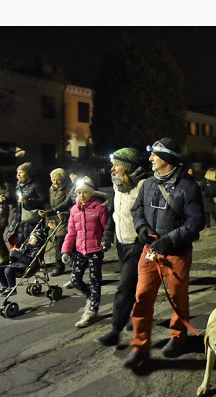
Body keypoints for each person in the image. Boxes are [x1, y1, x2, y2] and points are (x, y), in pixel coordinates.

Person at [125, 137, 204, 368]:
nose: (150, 158)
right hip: (150, 253)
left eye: (155, 155)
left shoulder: (188, 186)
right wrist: (141, 228)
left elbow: (197, 221)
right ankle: (140, 346)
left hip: (176, 254)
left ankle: (178, 338)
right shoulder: (148, 183)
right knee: (141, 299)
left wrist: (170, 239)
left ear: (167, 158)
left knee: (178, 300)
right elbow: (136, 209)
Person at [96, 148, 148, 347]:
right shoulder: (117, 185)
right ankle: (134, 318)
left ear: (126, 167)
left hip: (137, 244)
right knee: (133, 287)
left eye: (116, 165)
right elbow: (114, 212)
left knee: (124, 288)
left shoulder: (143, 185)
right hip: (121, 242)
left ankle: (115, 330)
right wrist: (108, 234)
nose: (112, 169)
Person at [61, 176, 109, 328]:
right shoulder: (74, 210)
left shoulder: (99, 209)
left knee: (95, 281)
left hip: (95, 251)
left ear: (91, 193)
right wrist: (66, 251)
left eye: (85, 192)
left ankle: (92, 311)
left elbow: (107, 229)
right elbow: (71, 233)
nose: (81, 195)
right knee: (75, 280)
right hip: (80, 251)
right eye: (79, 192)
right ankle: (90, 296)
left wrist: (106, 242)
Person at [38, 168, 71, 276]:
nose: (55, 182)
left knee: (59, 243)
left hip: (65, 219)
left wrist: (65, 213)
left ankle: (59, 266)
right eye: (53, 180)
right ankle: (69, 261)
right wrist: (48, 213)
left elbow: (69, 205)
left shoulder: (68, 190)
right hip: (54, 219)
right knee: (57, 242)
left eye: (58, 180)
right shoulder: (51, 189)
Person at [0, 229, 46, 297]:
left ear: (38, 241)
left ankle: (12, 289)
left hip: (26, 268)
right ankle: (5, 286)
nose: (29, 240)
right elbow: (16, 260)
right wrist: (13, 256)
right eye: (29, 239)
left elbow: (29, 261)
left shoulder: (36, 251)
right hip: (18, 265)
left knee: (8, 270)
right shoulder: (26, 247)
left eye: (32, 239)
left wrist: (18, 255)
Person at [5, 162, 46, 248]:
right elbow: (16, 200)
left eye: (21, 172)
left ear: (28, 173)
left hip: (30, 218)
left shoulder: (36, 184)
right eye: (17, 173)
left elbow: (43, 199)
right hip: (18, 218)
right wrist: (6, 199)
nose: (18, 175)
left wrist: (28, 201)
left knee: (29, 242)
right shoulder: (18, 185)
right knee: (15, 240)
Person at [198, 168, 216, 236]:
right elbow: (199, 190)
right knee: (207, 215)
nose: (215, 175)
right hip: (205, 199)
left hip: (213, 199)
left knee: (214, 214)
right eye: (214, 173)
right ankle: (208, 230)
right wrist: (204, 193)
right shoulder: (204, 181)